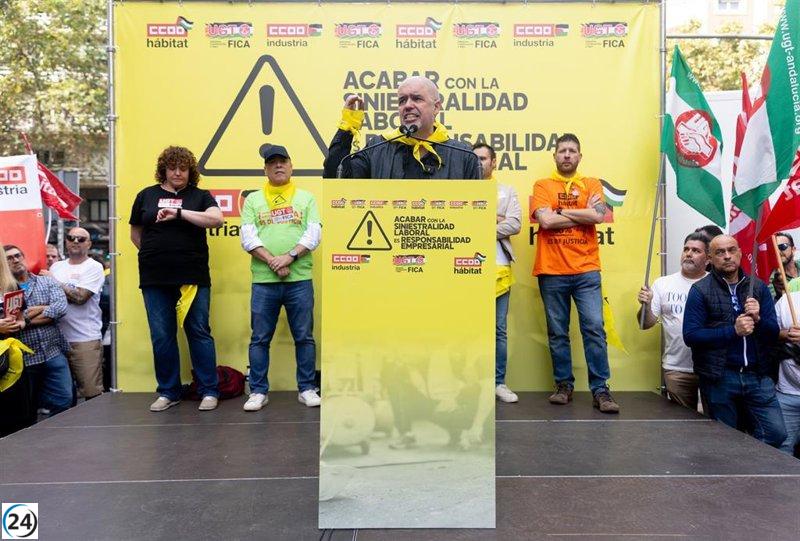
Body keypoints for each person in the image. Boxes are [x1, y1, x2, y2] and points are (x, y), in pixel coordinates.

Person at [129, 146, 222, 412]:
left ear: (190, 171)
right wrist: (154, 254)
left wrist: (180, 214)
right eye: (173, 168)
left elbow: (216, 220)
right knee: (162, 335)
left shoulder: (200, 196)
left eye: (183, 168)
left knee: (199, 332)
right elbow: (136, 233)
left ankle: (209, 390)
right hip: (154, 277)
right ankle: (169, 391)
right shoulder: (146, 195)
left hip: (192, 276)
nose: (178, 173)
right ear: (164, 170)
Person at [532, 133, 619, 413]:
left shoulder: (592, 183)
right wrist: (581, 211)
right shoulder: (542, 185)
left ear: (580, 156)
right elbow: (545, 220)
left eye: (572, 151)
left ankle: (601, 390)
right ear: (554, 156)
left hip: (586, 271)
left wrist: (561, 211)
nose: (567, 155)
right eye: (562, 151)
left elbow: (598, 216)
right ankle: (563, 385)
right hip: (552, 271)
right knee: (558, 332)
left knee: (594, 328)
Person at [683, 235, 786, 447]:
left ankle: (751, 464)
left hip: (757, 376)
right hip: (720, 377)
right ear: (710, 258)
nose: (727, 256)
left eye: (731, 250)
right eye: (720, 252)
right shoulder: (700, 290)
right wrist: (733, 331)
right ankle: (736, 475)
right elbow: (691, 336)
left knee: (776, 433)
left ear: (740, 253)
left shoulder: (758, 287)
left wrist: (758, 319)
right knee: (724, 443)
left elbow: (772, 333)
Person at [240, 144, 322, 410]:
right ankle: (258, 391)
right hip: (264, 281)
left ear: (291, 166)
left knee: (304, 337)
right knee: (260, 338)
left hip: (299, 279)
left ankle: (307, 388)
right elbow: (247, 237)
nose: (278, 166)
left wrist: (289, 257)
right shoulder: (253, 200)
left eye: (282, 161)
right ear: (265, 169)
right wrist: (274, 262)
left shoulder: (306, 198)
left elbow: (313, 234)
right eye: (272, 162)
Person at [323, 76, 481, 179]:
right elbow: (337, 179)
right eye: (402, 100)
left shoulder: (464, 155)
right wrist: (347, 128)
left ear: (436, 107)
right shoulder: (377, 149)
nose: (408, 105)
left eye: (417, 99)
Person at [637, 233, 709, 410]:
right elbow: (645, 324)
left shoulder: (716, 284)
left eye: (696, 250)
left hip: (711, 368)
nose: (689, 253)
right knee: (683, 426)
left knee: (716, 424)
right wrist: (645, 306)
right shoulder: (663, 284)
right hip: (677, 369)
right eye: (686, 249)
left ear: (708, 259)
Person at [472, 143, 521, 403]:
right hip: (464, 267)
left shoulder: (507, 191)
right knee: (468, 327)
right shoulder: (460, 191)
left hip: (499, 266)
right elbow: (458, 225)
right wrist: (495, 219)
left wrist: (478, 223)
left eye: (483, 158)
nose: (479, 162)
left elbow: (514, 224)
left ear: (494, 162)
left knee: (498, 329)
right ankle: (470, 384)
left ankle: (498, 382)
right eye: (475, 158)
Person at [4, 245, 71, 423]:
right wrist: (43, 309)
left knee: (64, 400)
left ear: (24, 257)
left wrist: (24, 319)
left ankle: (53, 437)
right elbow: (9, 322)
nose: (15, 260)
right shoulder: (4, 291)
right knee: (27, 410)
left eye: (18, 255)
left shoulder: (46, 281)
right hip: (24, 359)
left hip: (53, 353)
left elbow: (61, 308)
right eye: (9, 258)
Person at [46, 228, 106, 400]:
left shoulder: (94, 267)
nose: (75, 241)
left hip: (84, 339)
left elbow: (80, 297)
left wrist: (55, 282)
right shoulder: (57, 266)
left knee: (91, 394)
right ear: (66, 241)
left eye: (81, 239)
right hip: (56, 340)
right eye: (71, 237)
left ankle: (93, 427)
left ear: (89, 244)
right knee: (63, 396)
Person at [0, 244, 33, 437]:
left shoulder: (11, 286)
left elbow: (21, 317)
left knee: (16, 416)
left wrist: (17, 324)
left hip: (10, 359)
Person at [774, 289, 800, 456]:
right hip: (787, 394)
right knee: (782, 451)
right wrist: (786, 334)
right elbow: (769, 334)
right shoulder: (787, 301)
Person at [769, 232, 800, 300]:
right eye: (774, 249)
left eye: (782, 246)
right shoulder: (771, 281)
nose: (778, 252)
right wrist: (779, 296)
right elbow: (773, 307)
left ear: (793, 249)